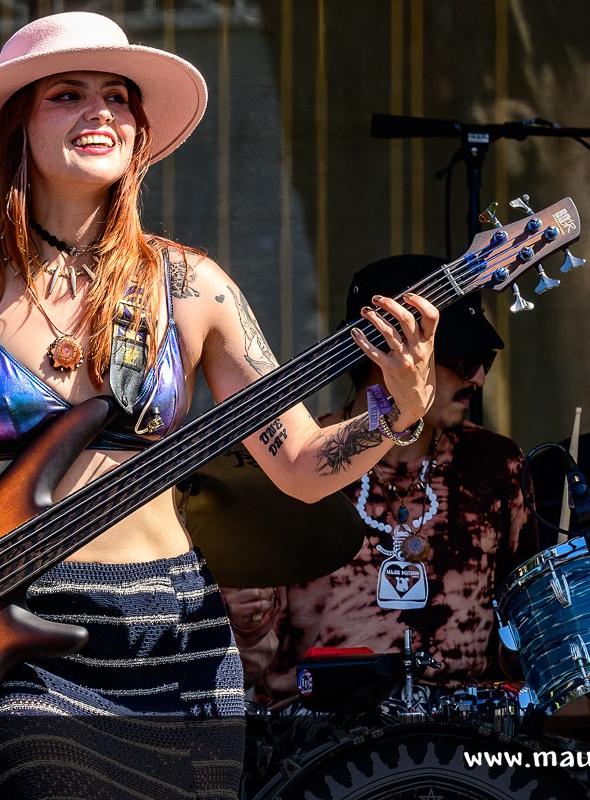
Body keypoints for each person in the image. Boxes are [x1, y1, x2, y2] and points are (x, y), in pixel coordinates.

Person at [0, 13, 438, 799]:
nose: (101, 112)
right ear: (18, 124)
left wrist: (397, 411)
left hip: (175, 638)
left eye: (117, 97)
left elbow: (298, 466)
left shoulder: (194, 287)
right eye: (68, 94)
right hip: (13, 630)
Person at [225, 254, 541, 716]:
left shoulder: (497, 465)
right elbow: (246, 667)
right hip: (317, 746)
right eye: (460, 357)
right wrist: (245, 625)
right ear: (380, 354)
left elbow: (527, 629)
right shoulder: (291, 466)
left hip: (464, 744)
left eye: (485, 359)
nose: (479, 377)